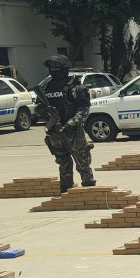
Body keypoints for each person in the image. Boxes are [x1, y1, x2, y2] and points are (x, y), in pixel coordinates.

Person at [35, 54, 96, 193]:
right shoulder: (47, 87)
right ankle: (66, 191)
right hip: (55, 132)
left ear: (64, 68)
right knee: (63, 163)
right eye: (51, 67)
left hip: (73, 131)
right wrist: (45, 112)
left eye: (56, 66)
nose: (53, 69)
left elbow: (84, 110)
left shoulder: (76, 88)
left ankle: (89, 190)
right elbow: (37, 108)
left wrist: (71, 123)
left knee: (82, 162)